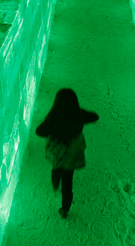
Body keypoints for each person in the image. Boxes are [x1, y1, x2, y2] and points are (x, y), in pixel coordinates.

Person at [35, 88, 99, 218]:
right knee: (68, 181)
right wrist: (80, 112)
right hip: (72, 152)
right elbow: (94, 116)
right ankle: (65, 209)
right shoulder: (79, 115)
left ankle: (55, 182)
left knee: (56, 166)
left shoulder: (54, 117)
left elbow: (40, 131)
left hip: (57, 151)